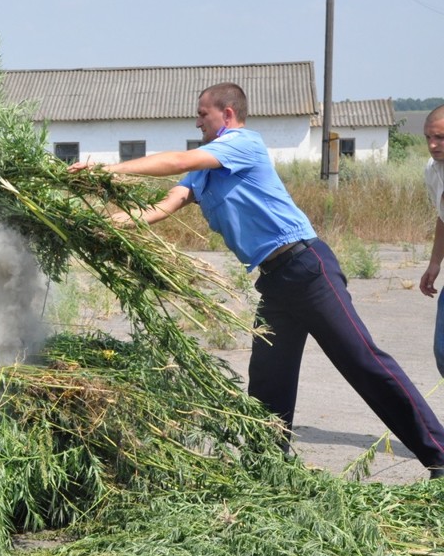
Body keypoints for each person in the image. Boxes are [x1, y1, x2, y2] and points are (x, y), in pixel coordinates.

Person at [68, 82, 444, 478]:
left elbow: (177, 159)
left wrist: (104, 167)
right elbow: (164, 206)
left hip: (307, 267)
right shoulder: (203, 171)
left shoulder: (242, 143)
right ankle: (268, 468)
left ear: (227, 114)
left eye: (202, 114)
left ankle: (438, 452)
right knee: (268, 378)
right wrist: (99, 225)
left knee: (362, 362)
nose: (197, 121)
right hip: (275, 281)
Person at [420, 105, 444, 377]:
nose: (433, 144)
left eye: (441, 138)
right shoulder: (433, 170)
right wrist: (435, 262)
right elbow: (443, 216)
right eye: (428, 137)